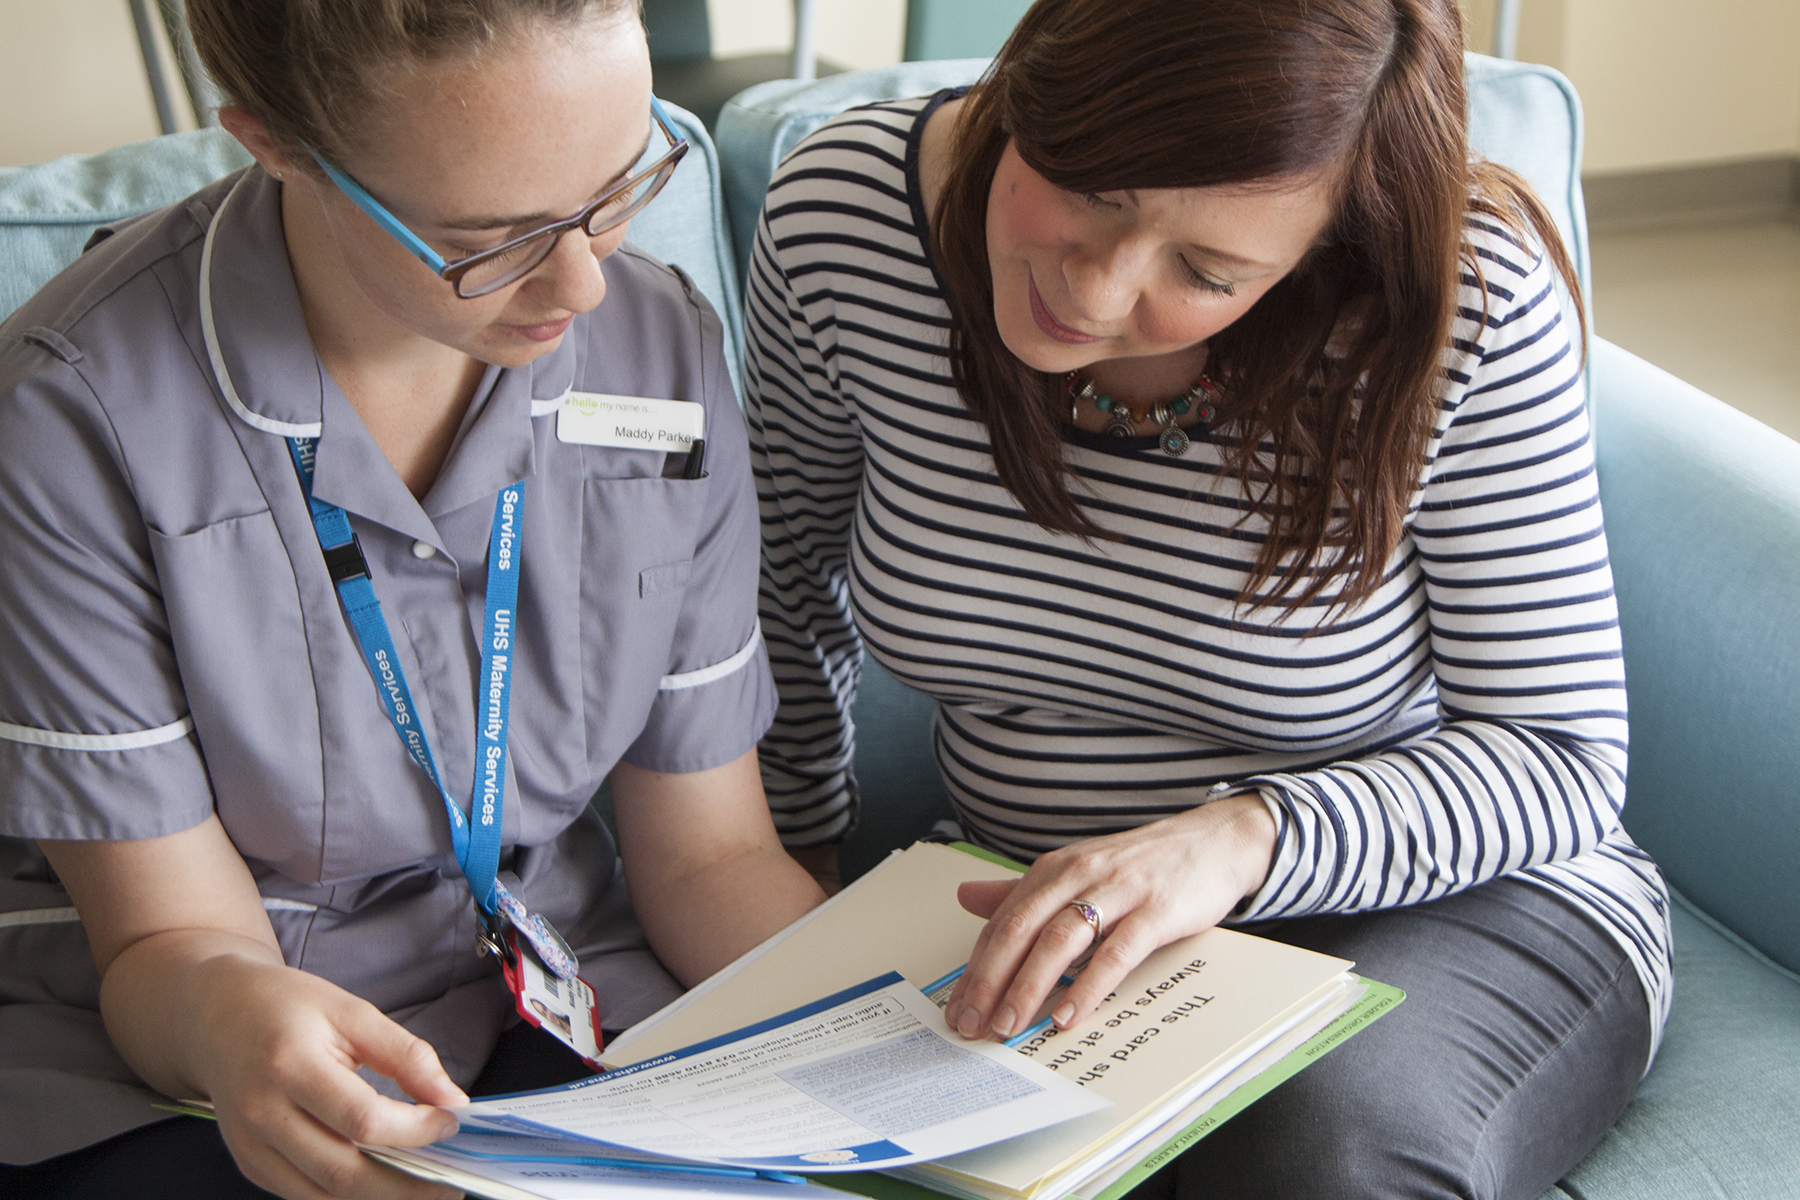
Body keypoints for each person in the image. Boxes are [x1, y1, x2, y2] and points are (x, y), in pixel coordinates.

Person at [746, 0, 1671, 1196]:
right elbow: (780, 591)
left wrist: (1235, 842)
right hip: (1058, 921)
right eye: (1090, 190)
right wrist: (789, 903)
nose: (1094, 286)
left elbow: (1559, 755)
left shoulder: (1461, 301)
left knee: (1324, 1157)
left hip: (1456, 898)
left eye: (1206, 270)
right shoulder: (849, 221)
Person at [0, 1, 824, 1197]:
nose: (587, 284)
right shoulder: (72, 418)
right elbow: (166, 945)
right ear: (276, 143)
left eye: (616, 187)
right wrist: (237, 1021)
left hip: (567, 1002)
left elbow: (708, 861)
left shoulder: (663, 349)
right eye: (488, 239)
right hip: (199, 1054)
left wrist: (912, 1035)